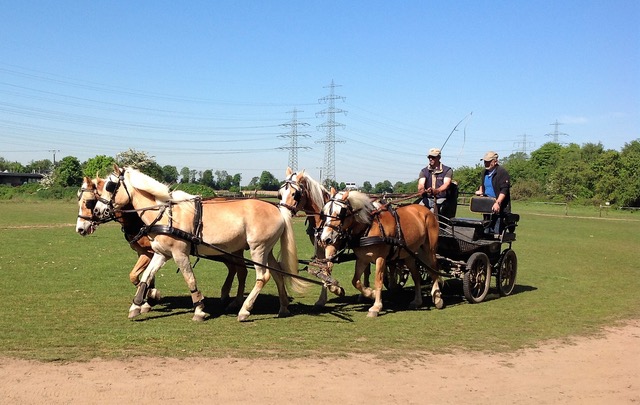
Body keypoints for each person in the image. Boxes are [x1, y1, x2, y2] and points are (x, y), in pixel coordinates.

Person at [475, 151, 511, 233]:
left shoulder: (502, 172)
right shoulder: (484, 172)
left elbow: (504, 190)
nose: (486, 163)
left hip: (499, 208)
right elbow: (483, 185)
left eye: (488, 161)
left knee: (496, 232)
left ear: (495, 161)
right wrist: (481, 192)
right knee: (485, 231)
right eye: (485, 161)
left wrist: (497, 203)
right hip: (487, 206)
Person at [418, 148, 454, 217]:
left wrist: (437, 191)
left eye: (433, 157)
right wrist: (422, 190)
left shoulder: (447, 170)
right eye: (429, 157)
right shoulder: (424, 171)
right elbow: (421, 184)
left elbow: (446, 184)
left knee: (431, 213)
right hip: (427, 198)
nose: (430, 159)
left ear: (439, 157)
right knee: (417, 211)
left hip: (441, 199)